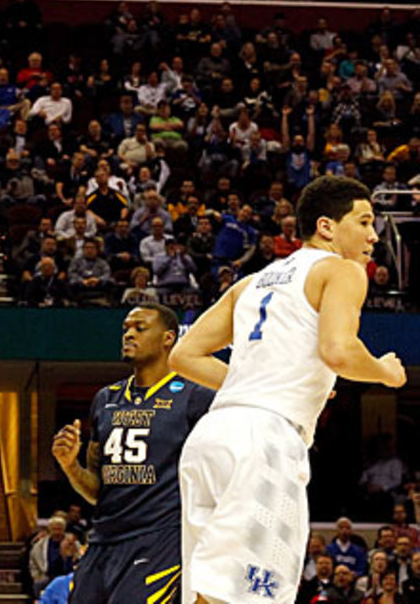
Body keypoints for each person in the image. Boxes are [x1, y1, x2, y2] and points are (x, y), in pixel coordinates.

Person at [171, 176, 407, 604]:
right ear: (327, 227)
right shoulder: (343, 270)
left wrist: (264, 382)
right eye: (364, 221)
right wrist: (384, 372)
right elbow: (338, 350)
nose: (373, 235)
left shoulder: (250, 282)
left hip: (210, 438)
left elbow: (184, 356)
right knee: (254, 595)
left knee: (211, 591)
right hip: (264, 441)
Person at [51, 305, 213, 603]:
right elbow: (98, 490)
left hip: (159, 540)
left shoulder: (196, 397)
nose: (128, 334)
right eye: (126, 327)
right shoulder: (105, 399)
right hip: (103, 540)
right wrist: (70, 465)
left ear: (168, 338)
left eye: (140, 328)